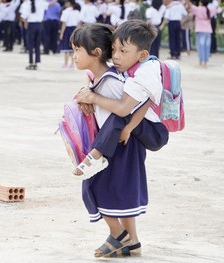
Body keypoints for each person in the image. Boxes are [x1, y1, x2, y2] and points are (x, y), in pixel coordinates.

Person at [70, 22, 145, 258]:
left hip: (121, 145)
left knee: (93, 186)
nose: (73, 56)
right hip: (120, 145)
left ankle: (118, 234)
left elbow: (124, 112)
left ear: (96, 53)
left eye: (77, 50)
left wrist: (93, 98)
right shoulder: (103, 79)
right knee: (122, 192)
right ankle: (132, 241)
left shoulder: (111, 82)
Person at [75, 20, 169, 196]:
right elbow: (90, 74)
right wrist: (86, 90)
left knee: (119, 112)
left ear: (142, 55)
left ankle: (96, 155)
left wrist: (129, 128)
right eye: (113, 49)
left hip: (155, 132)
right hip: (139, 121)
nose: (116, 56)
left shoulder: (147, 71)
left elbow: (136, 105)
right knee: (120, 108)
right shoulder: (127, 64)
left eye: (123, 51)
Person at [19, 0, 56, 70]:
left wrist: (25, 22)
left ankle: (31, 62)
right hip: (39, 25)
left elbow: (24, 16)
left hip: (31, 25)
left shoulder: (27, 3)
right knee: (37, 45)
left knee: (30, 45)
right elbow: (50, 4)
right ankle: (37, 62)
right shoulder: (41, 2)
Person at [186, 0, 217, 68]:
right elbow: (216, 7)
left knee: (201, 47)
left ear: (201, 3)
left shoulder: (198, 9)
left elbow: (189, 5)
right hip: (208, 30)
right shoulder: (209, 9)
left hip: (200, 30)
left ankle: (200, 62)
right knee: (207, 47)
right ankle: (205, 62)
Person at [59, 0, 80, 68]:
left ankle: (66, 63)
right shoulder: (77, 11)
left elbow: (64, 23)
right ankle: (72, 63)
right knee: (73, 47)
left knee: (66, 47)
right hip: (74, 29)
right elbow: (78, 23)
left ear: (69, 3)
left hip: (67, 29)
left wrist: (62, 33)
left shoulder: (65, 11)